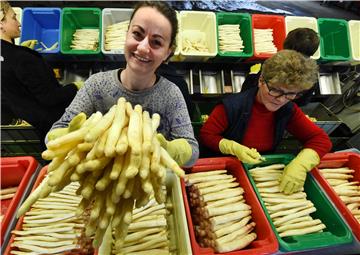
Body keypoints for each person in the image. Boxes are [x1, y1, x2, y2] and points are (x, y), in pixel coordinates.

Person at [48, 1, 199, 167]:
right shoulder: (96, 86)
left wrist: (166, 148)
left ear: (167, 53)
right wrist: (73, 135)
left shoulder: (171, 94)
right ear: (126, 34)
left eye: (156, 42)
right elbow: (51, 136)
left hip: (151, 182)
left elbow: (192, 152)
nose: (142, 48)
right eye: (137, 34)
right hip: (99, 181)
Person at [199, 50, 332, 194]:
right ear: (261, 80)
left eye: (290, 94)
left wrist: (301, 164)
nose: (281, 99)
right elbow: (207, 135)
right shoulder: (233, 106)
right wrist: (232, 147)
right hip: (224, 173)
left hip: (259, 174)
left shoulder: (288, 109)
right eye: (276, 90)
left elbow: (321, 139)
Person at [0, 1, 83, 143]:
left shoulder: (10, 55)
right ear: (1, 24)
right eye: (13, 18)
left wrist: (22, 50)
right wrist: (76, 86)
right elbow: (50, 98)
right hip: (54, 123)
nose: (19, 23)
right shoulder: (21, 59)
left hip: (35, 121)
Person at [241, 28, 320, 106]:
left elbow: (247, 90)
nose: (281, 99)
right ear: (313, 52)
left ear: (285, 45)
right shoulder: (312, 75)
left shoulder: (272, 64)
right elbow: (303, 102)